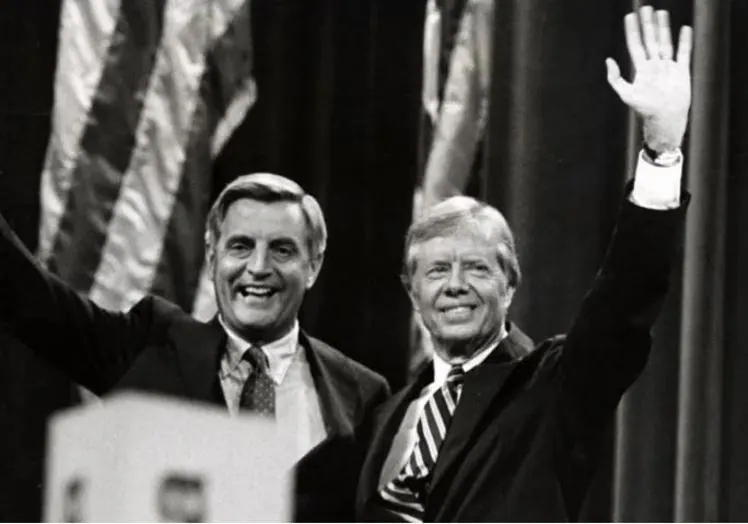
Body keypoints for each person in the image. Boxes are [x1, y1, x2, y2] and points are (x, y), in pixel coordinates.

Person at [355, 6, 692, 522]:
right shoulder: (386, 415)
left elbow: (623, 303)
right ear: (411, 290)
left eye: (478, 268)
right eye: (438, 270)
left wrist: (662, 151)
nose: (456, 285)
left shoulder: (553, 388)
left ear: (510, 285)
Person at [0, 173, 390, 521]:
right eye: (240, 246)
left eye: (282, 250)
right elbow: (32, 298)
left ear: (313, 265)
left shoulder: (362, 393)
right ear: (211, 256)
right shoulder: (151, 345)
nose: (258, 267)